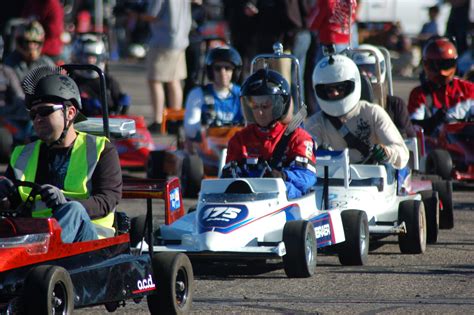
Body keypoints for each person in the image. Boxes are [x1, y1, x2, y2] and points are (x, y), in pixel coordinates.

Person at [0, 65, 122, 243]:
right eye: (33, 114)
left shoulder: (101, 149)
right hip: (34, 237)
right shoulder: (22, 154)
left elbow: (107, 200)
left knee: (73, 210)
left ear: (70, 113)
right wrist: (3, 199)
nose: (38, 119)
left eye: (45, 111)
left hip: (90, 242)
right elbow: (15, 206)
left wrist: (65, 202)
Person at [222, 68, 316, 199]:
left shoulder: (299, 137)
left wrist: (282, 176)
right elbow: (226, 180)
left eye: (265, 106)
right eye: (255, 107)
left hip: (286, 206)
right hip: (246, 204)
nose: (260, 113)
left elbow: (307, 177)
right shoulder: (239, 140)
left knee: (286, 189)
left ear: (279, 105)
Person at [305, 54, 409, 170]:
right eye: (329, 90)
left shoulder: (372, 113)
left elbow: (402, 153)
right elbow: (303, 152)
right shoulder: (317, 122)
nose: (334, 93)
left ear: (352, 85)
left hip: (374, 180)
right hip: (334, 182)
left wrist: (387, 152)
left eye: (340, 88)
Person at [131, 0, 193, 133]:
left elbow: (152, 14)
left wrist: (136, 14)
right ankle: (174, 119)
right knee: (174, 80)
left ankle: (159, 121)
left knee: (155, 80)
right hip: (181, 39)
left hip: (163, 40)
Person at [408, 37, 474, 136]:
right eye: (434, 65)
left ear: (454, 63)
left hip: (465, 144)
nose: (440, 71)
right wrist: (433, 121)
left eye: (446, 64)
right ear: (426, 64)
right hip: (434, 146)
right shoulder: (420, 94)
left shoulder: (469, 89)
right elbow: (413, 128)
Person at [351, 44, 416, 138]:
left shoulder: (395, 105)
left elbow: (408, 140)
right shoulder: (347, 106)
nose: (365, 74)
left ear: (380, 68)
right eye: (360, 70)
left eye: (370, 69)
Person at [184, 46, 244, 142]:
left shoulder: (243, 94)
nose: (222, 72)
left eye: (227, 68)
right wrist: (206, 129)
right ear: (211, 71)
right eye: (218, 68)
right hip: (209, 149)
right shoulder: (197, 94)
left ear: (235, 71)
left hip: (238, 147)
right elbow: (190, 128)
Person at [70, 33, 130, 116]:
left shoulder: (108, 81)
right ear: (77, 57)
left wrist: (122, 104)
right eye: (86, 57)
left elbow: (118, 107)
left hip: (108, 123)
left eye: (93, 57)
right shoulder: (71, 82)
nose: (90, 61)